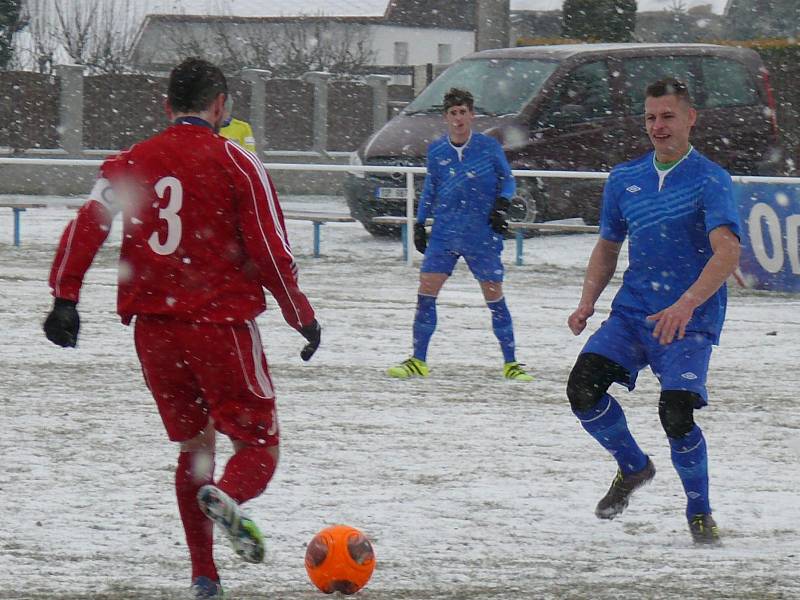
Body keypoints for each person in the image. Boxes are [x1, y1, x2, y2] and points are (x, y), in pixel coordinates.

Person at [43, 57, 321, 598]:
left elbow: (88, 222)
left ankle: (204, 575)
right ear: (220, 107)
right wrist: (300, 315)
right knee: (259, 448)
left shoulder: (131, 161)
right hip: (219, 325)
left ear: (167, 106)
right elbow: (271, 249)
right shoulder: (236, 162)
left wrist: (65, 297)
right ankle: (227, 497)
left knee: (195, 447)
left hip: (154, 329)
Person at [566, 77, 741, 545]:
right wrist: (588, 302)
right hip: (633, 315)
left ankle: (699, 512)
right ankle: (633, 466)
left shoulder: (709, 179)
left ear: (690, 118)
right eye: (650, 117)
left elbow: (727, 253)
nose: (658, 126)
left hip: (689, 321)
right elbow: (607, 246)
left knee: (676, 414)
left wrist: (686, 303)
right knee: (582, 390)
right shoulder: (626, 178)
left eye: (667, 116)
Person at [387, 87, 533, 381]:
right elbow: (430, 188)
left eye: (463, 112)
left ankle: (511, 362)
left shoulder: (488, 147)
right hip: (444, 232)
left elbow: (507, 181)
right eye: (453, 113)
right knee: (426, 293)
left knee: (494, 296)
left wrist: (502, 206)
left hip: (481, 233)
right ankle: (418, 360)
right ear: (446, 117)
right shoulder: (438, 150)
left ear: (471, 115)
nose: (458, 119)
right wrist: (419, 222)